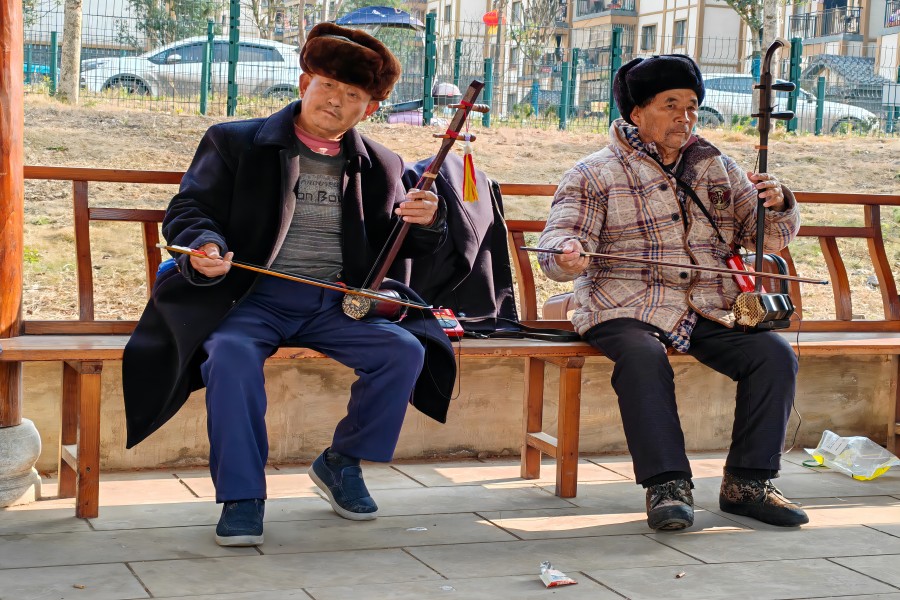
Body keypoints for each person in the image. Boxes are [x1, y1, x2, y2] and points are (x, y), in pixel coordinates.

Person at [122, 23, 455, 547]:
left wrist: (426, 221)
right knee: (229, 355)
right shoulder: (235, 141)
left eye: (353, 95)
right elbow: (189, 208)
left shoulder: (382, 164)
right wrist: (206, 245)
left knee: (403, 351)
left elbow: (401, 247)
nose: (336, 101)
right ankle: (242, 496)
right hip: (248, 299)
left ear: (369, 109)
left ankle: (341, 461)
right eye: (328, 86)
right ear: (304, 84)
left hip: (334, 302)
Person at [538, 54, 809, 531]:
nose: (685, 117)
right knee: (643, 356)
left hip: (708, 304)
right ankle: (667, 486)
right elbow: (559, 242)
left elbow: (767, 239)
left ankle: (748, 483)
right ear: (636, 112)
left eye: (692, 106)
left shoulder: (718, 167)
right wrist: (567, 254)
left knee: (773, 355)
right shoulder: (594, 172)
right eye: (670, 105)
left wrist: (780, 203)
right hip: (624, 303)